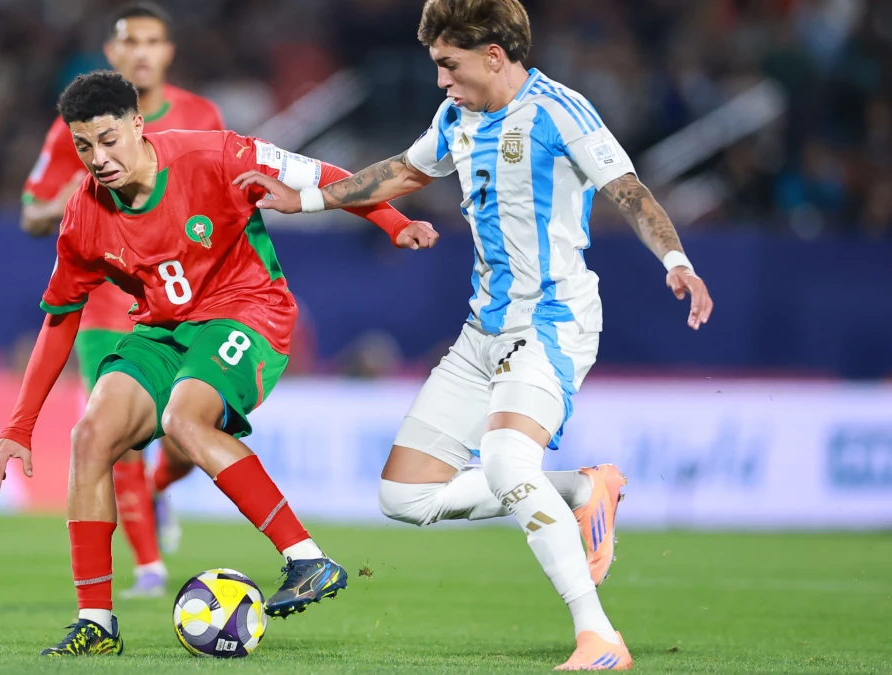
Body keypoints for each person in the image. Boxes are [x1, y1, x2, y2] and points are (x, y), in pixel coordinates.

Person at [233, 0, 715, 669]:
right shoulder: (456, 116)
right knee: (403, 496)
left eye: (448, 64)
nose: (440, 81)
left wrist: (677, 262)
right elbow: (405, 170)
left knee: (507, 462)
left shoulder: (558, 110)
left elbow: (628, 190)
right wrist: (307, 200)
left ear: (494, 54)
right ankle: (580, 488)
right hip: (482, 327)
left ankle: (599, 636)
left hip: (554, 319)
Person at [0, 70, 437, 656]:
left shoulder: (214, 154)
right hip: (163, 330)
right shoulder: (83, 217)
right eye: (84, 146)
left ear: (139, 126)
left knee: (184, 420)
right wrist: (19, 427)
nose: (99, 158)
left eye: (110, 139)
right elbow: (61, 316)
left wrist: (394, 224)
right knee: (90, 437)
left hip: (248, 312)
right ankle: (97, 623)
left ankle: (309, 560)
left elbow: (318, 174)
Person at [20, 1, 224, 599]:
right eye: (129, 40)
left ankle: (160, 491)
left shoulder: (199, 115)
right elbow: (31, 212)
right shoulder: (74, 126)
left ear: (168, 52)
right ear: (111, 53)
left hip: (189, 304)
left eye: (152, 41)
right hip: (108, 307)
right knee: (111, 435)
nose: (141, 51)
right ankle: (149, 569)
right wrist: (58, 204)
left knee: (191, 433)